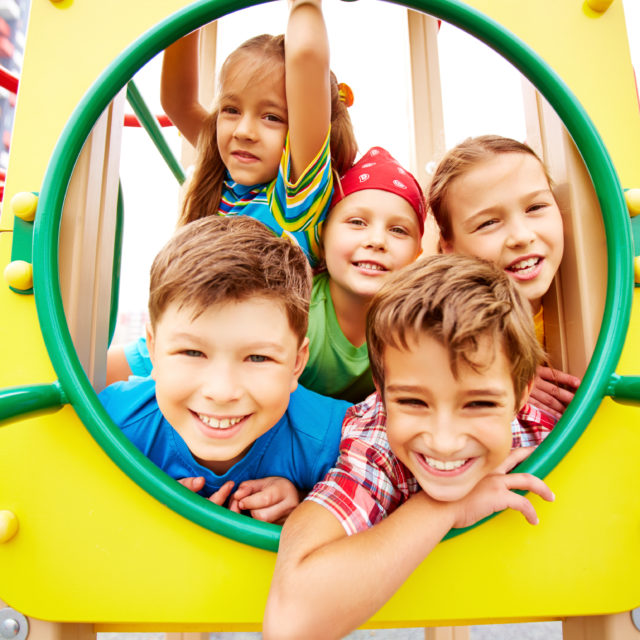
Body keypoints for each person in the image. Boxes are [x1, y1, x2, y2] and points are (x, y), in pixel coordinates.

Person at [263, 254, 555, 639]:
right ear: (381, 395)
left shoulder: (539, 430)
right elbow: (291, 624)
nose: (444, 441)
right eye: (414, 402)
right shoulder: (376, 445)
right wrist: (444, 508)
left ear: (521, 397)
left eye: (479, 403)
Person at [99, 216, 351, 524]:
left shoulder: (336, 440)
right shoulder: (109, 423)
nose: (221, 391)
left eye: (257, 358)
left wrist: (308, 504)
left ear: (297, 363)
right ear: (152, 350)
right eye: (192, 352)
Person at [160, 1, 357, 266]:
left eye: (271, 117)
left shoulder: (295, 198)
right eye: (231, 110)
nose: (243, 132)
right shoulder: (220, 172)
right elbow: (178, 102)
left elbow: (306, 55)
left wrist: (304, 4)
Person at [428, 135, 581, 420]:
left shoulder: (580, 292)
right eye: (488, 223)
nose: (521, 237)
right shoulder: (445, 317)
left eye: (535, 208)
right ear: (449, 246)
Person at [299, 146, 426, 402]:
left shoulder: (420, 324)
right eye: (357, 222)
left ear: (417, 255)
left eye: (399, 230)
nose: (377, 240)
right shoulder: (297, 312)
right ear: (322, 237)